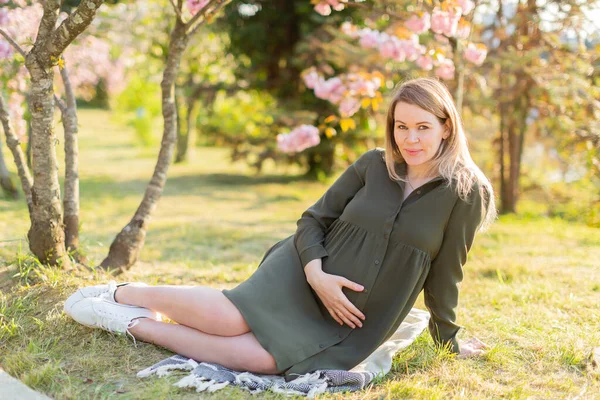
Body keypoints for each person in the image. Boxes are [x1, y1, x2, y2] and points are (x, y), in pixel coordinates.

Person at [64, 77, 497, 381]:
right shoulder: (372, 165)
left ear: (446, 127)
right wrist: (316, 274)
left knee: (264, 361)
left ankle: (128, 324)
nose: (410, 139)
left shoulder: (466, 192)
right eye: (401, 126)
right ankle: (121, 295)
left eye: (423, 127)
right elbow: (313, 220)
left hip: (355, 317)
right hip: (304, 269)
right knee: (230, 319)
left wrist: (448, 340)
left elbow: (446, 275)